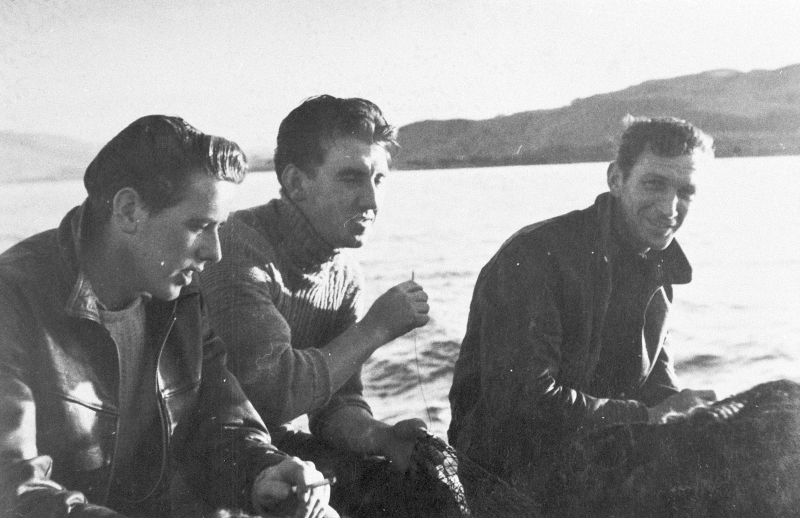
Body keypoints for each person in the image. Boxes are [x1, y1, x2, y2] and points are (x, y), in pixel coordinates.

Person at [0, 115, 337, 518]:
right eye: (199, 226)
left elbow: (220, 423)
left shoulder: (179, 295)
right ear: (128, 211)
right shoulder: (12, 297)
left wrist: (263, 471)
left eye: (220, 228)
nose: (215, 252)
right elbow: (12, 487)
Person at [448, 116, 718, 494]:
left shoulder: (659, 273)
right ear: (616, 179)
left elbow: (658, 390)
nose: (670, 208)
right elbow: (522, 403)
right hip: (507, 479)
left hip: (597, 462)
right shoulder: (537, 255)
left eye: (686, 191)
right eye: (654, 184)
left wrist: (695, 415)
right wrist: (648, 417)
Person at [200, 96, 433, 514]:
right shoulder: (235, 246)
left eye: (379, 180)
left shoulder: (344, 276)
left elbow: (335, 404)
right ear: (295, 184)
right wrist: (376, 329)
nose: (372, 202)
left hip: (269, 452)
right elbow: (273, 393)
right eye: (351, 178)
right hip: (208, 456)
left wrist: (380, 437)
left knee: (409, 487)